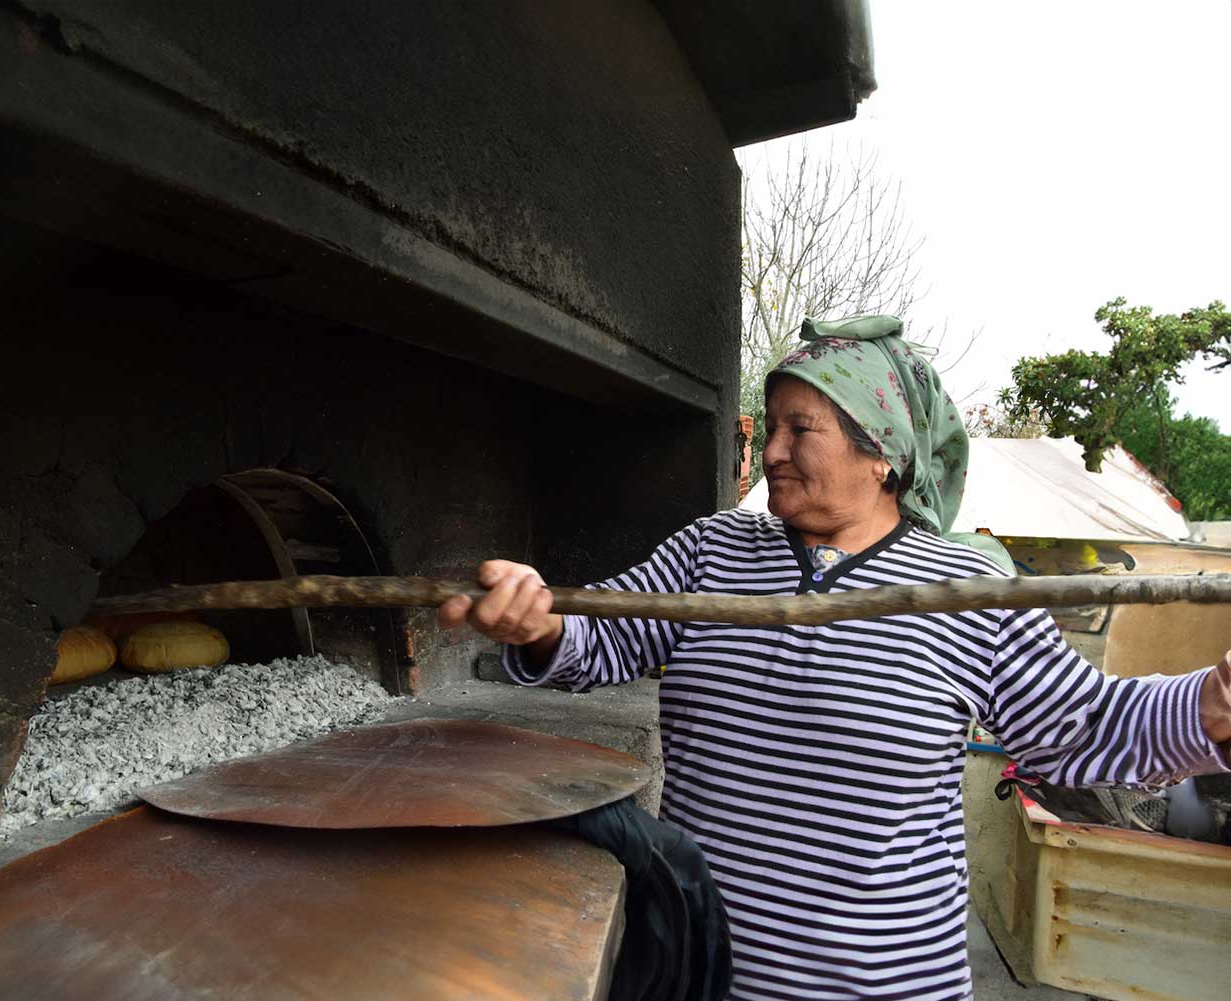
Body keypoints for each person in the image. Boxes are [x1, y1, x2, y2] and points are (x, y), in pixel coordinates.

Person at [437, 315, 1231, 1001]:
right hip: (708, 966)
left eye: (798, 427)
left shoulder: (967, 587)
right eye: (769, 423)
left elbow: (1083, 724)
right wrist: (538, 623)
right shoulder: (713, 548)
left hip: (881, 980)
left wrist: (1211, 706)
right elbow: (602, 639)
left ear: (879, 451)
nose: (771, 448)